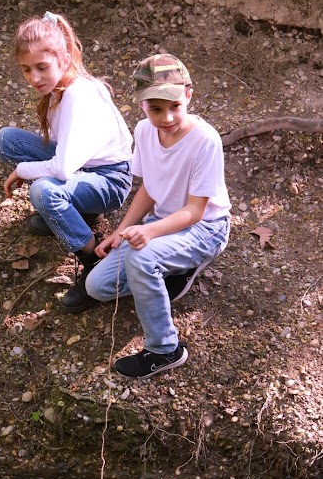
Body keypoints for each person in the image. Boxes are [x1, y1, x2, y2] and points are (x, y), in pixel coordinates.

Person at [83, 53, 231, 379]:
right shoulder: (144, 132)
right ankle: (163, 274)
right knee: (96, 286)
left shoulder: (205, 141)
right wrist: (122, 230)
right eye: (156, 109)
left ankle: (165, 349)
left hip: (205, 228)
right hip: (164, 223)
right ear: (142, 106)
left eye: (174, 106)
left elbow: (195, 210)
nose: (166, 118)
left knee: (141, 259)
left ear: (188, 95)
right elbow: (150, 188)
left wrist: (148, 234)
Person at [0, 11, 133, 312]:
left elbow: (62, 168)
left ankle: (92, 257)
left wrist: (22, 170)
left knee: (43, 190)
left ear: (64, 60)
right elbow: (64, 155)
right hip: (84, 168)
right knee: (6, 140)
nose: (34, 78)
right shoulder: (58, 89)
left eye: (42, 67)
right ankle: (73, 212)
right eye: (26, 70)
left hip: (109, 180)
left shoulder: (77, 97)